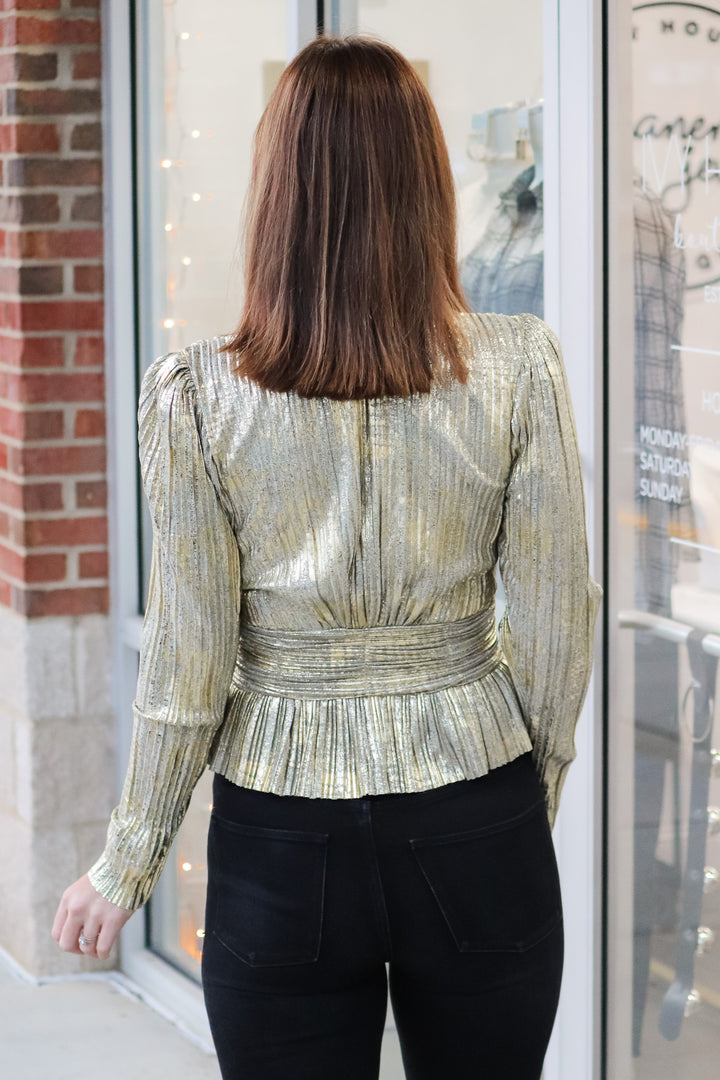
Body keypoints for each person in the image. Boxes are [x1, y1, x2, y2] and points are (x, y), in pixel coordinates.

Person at [52, 35, 602, 1080]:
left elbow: (188, 665)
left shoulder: (196, 398)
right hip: (474, 807)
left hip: (279, 838)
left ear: (277, 196)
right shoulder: (519, 369)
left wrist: (125, 865)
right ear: (430, 185)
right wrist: (520, 810)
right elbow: (557, 621)